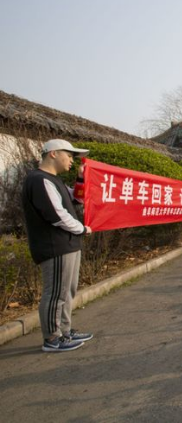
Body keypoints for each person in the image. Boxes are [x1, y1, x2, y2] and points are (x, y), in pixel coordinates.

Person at [22, 139, 93, 352]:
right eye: (69, 155)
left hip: (67, 245)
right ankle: (52, 338)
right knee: (55, 293)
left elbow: (76, 199)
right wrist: (82, 228)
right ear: (53, 153)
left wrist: (81, 177)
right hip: (54, 246)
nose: (71, 160)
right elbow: (56, 214)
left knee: (67, 291)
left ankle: (65, 330)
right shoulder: (39, 180)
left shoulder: (54, 181)